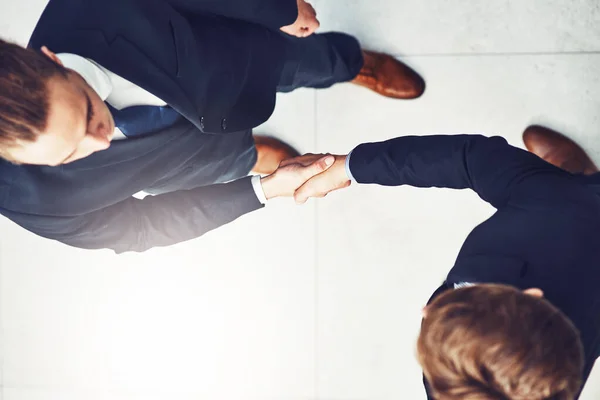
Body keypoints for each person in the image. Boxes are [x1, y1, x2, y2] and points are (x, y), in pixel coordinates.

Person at [0, 0, 425, 253]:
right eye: (70, 154)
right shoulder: (26, 201)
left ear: (50, 61)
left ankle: (352, 63)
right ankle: (251, 153)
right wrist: (265, 189)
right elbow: (142, 227)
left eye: (90, 114)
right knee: (234, 160)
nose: (101, 141)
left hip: (229, 60)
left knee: (305, 62)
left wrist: (273, 8)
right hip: (181, 164)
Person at [285, 127, 600, 399]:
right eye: (459, 301)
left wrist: (350, 167)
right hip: (571, 211)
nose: (427, 309)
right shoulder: (552, 207)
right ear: (531, 296)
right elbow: (469, 157)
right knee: (570, 190)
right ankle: (583, 179)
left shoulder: (457, 384)